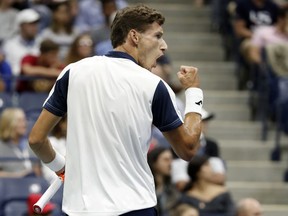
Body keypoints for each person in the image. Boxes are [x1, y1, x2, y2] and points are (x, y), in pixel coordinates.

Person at [28, 4, 203, 215]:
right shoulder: (153, 85)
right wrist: (193, 91)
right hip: (135, 207)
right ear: (134, 36)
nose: (164, 46)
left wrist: (61, 168)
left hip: (79, 210)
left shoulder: (72, 72)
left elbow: (36, 139)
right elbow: (188, 148)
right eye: (157, 36)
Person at [0, 108, 41, 178]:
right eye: (20, 121)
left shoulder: (30, 144)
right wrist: (18, 176)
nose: (24, 124)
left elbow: (38, 172)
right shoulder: (1, 147)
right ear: (9, 123)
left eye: (24, 120)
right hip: (8, 187)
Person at [2, 8, 41, 76]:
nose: (34, 27)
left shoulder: (42, 43)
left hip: (39, 82)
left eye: (35, 24)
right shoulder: (9, 45)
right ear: (21, 26)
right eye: (30, 24)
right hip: (16, 83)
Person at [148, 146, 179, 216]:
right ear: (154, 162)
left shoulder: (172, 189)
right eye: (166, 160)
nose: (170, 164)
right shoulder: (146, 189)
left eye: (171, 159)